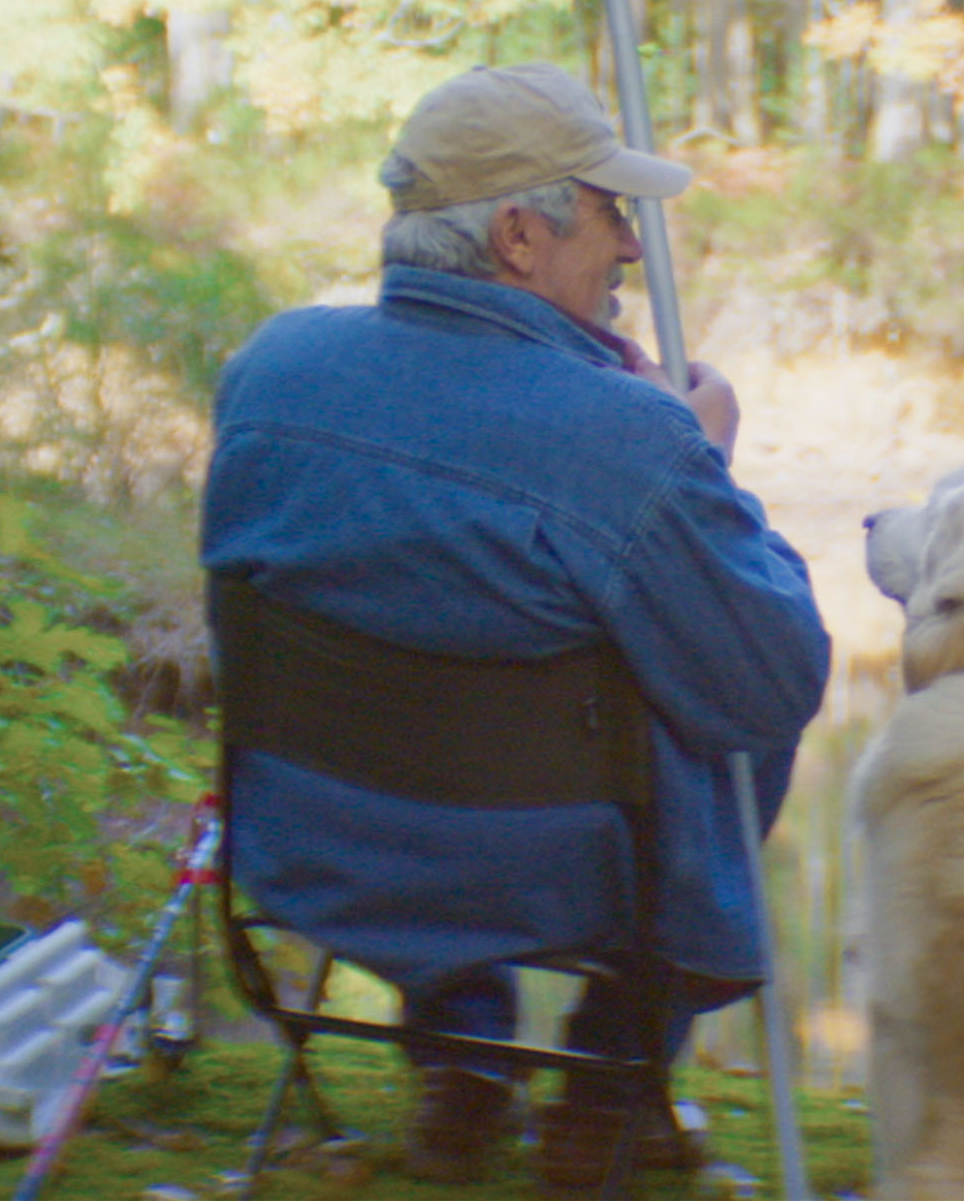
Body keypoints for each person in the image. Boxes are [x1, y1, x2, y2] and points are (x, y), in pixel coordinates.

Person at [199, 61, 830, 1191]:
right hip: (562, 878)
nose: (632, 248)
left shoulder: (269, 371)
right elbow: (774, 679)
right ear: (518, 239)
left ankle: (463, 1062)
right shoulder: (629, 438)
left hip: (317, 848)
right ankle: (603, 1080)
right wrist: (707, 464)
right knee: (730, 696)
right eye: (609, 213)